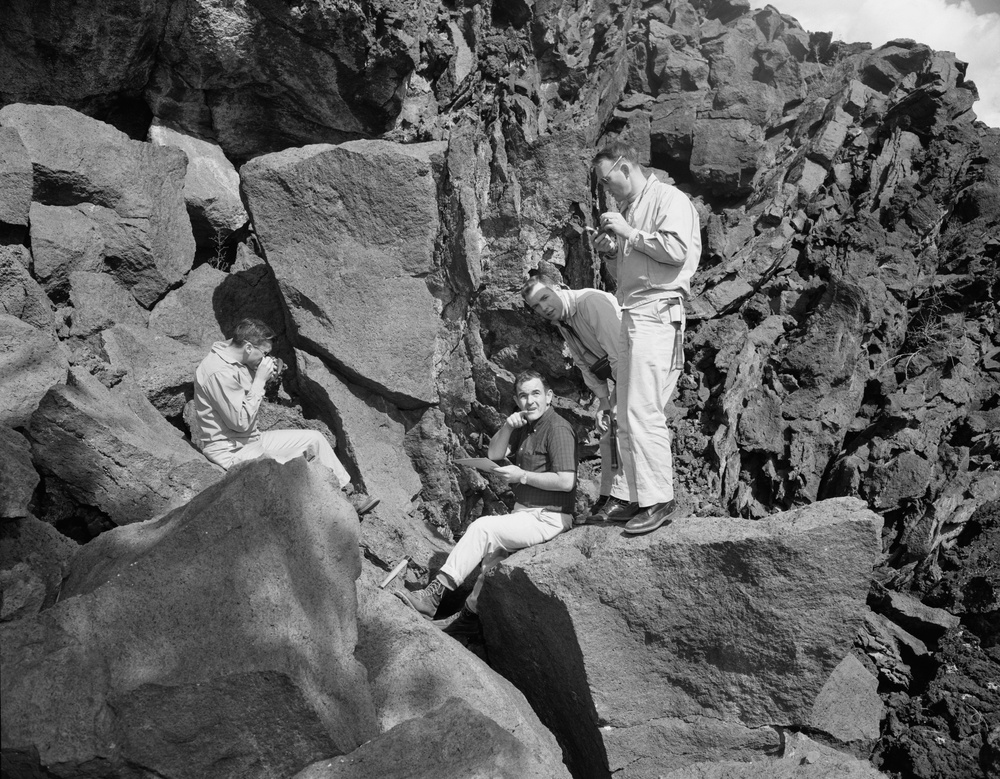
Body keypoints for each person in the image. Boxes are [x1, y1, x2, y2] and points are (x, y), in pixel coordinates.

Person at [395, 370, 577, 633]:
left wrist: (522, 476)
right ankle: (470, 620)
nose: (530, 402)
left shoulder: (558, 428)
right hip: (526, 514)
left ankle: (433, 596)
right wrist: (507, 426)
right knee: (491, 564)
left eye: (536, 394)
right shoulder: (526, 426)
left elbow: (566, 481)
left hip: (549, 516)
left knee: (483, 528)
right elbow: (494, 453)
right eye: (523, 396)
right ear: (517, 399)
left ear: (549, 396)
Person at [589, 141, 701, 534]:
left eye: (607, 180)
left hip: (658, 312)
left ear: (625, 166)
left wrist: (629, 234)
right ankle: (634, 497)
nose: (607, 190)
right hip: (634, 312)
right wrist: (610, 252)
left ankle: (659, 500)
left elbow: (675, 250)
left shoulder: (669, 198)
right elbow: (632, 273)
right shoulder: (630, 212)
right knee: (624, 411)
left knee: (642, 410)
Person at [192, 317, 378, 515]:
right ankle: (338, 506)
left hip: (251, 440)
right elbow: (240, 423)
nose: (264, 358)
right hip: (232, 451)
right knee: (298, 465)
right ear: (248, 347)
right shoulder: (219, 372)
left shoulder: (232, 353)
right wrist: (260, 381)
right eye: (263, 353)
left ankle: (346, 491)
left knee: (314, 439)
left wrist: (261, 373)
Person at [520, 272, 630, 525]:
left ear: (558, 288)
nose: (544, 308)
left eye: (545, 297)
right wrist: (603, 401)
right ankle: (609, 495)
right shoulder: (563, 321)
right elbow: (584, 363)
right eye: (536, 306)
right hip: (620, 370)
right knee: (606, 429)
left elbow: (621, 355)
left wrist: (614, 404)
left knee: (623, 424)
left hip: (642, 363)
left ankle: (627, 499)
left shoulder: (590, 303)